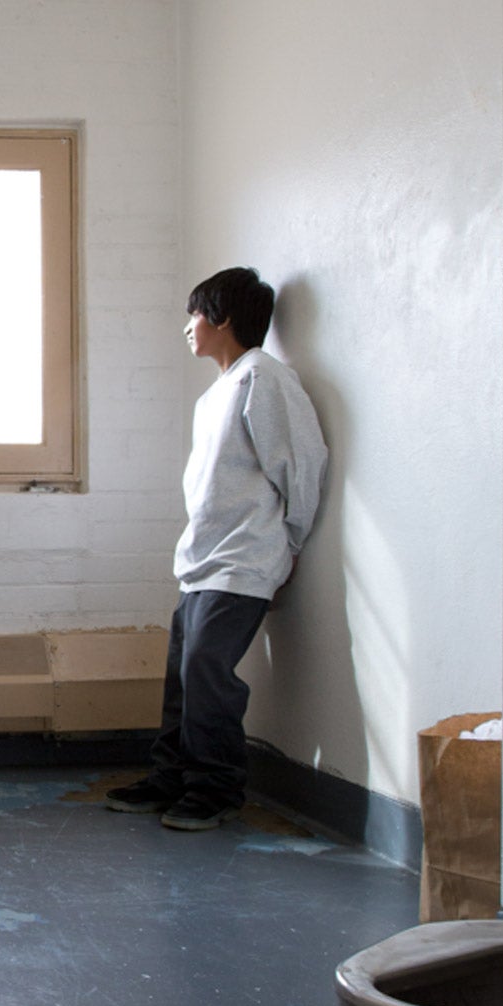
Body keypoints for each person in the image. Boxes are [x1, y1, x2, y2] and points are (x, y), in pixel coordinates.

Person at [108, 266, 326, 831]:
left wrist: (293, 541)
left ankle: (217, 788)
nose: (188, 326)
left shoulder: (264, 378)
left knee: (206, 668)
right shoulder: (214, 396)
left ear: (223, 318)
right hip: (203, 561)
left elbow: (300, 464)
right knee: (183, 673)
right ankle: (171, 778)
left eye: (196, 313)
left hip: (245, 558)